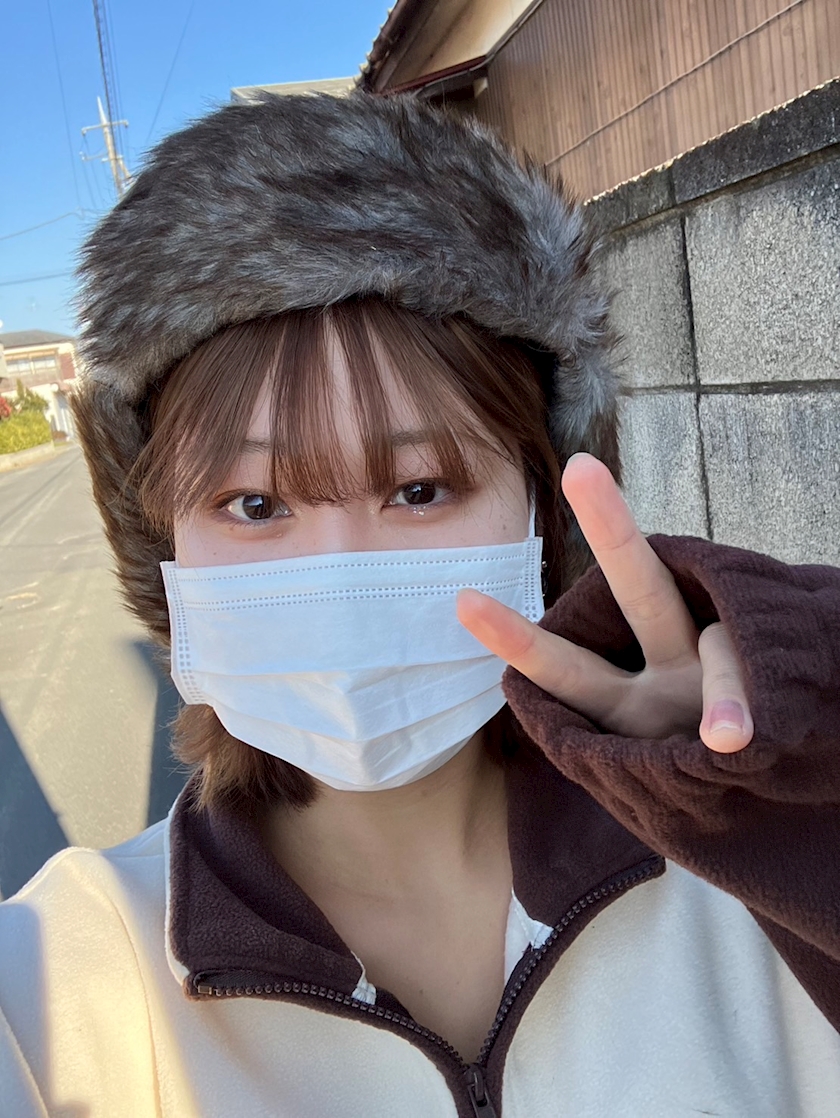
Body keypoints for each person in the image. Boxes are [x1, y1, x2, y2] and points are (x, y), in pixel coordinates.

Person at [0, 92, 838, 1117]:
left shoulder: (738, 864)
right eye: (255, 503)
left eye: (420, 488)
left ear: (543, 517)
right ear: (164, 546)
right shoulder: (70, 978)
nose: (342, 573)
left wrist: (798, 788)